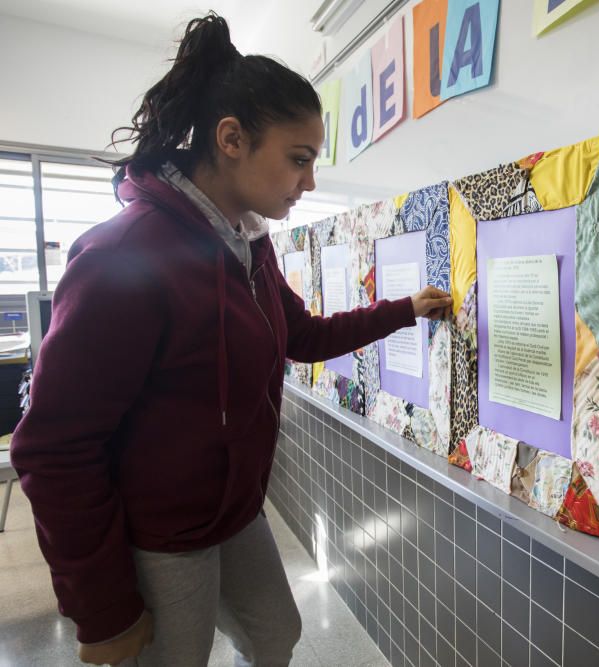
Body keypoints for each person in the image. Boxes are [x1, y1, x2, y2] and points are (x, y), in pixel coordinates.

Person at [10, 13, 451, 667]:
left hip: (235, 513)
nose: (308, 182)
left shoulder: (247, 243)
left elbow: (301, 334)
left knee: (275, 632)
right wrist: (102, 609)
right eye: (298, 159)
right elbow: (52, 448)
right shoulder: (124, 256)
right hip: (161, 533)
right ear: (231, 139)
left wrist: (403, 310)